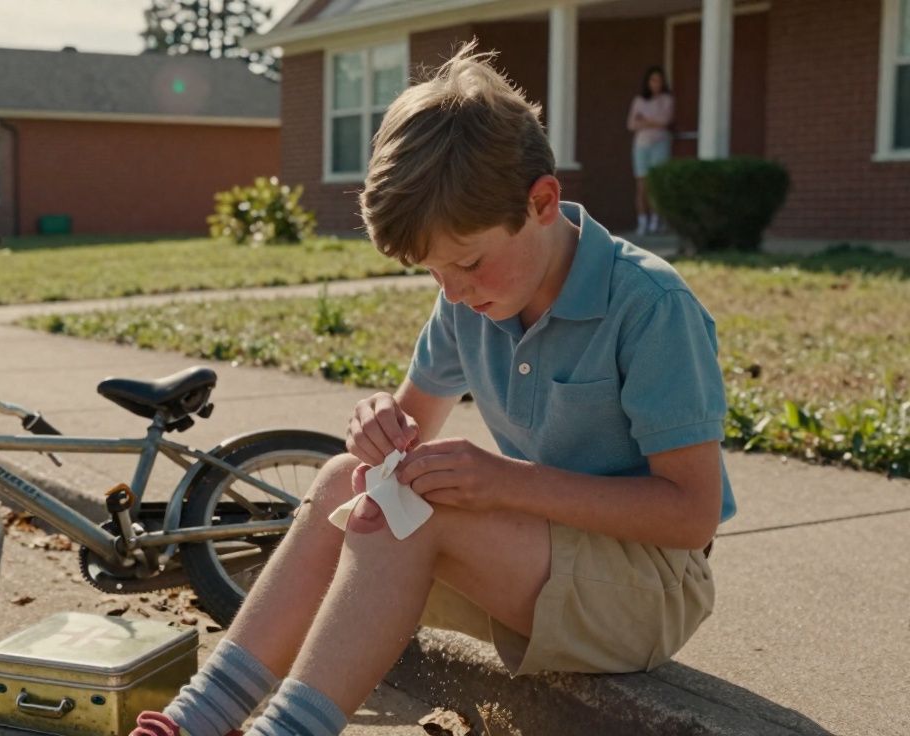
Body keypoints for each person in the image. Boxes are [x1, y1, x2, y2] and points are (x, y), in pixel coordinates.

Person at [131, 41, 734, 736]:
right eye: (432, 272)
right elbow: (401, 440)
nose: (452, 291)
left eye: (468, 262)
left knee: (422, 512)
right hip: (541, 560)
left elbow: (692, 516)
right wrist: (377, 427)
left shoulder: (649, 304)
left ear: (542, 202)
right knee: (344, 478)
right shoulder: (471, 298)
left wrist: (503, 481)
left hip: (649, 591)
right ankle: (202, 716)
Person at [627, 66, 675, 235]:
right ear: (648, 82)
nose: (656, 84)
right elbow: (632, 124)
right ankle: (642, 222)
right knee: (642, 185)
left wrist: (645, 120)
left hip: (660, 145)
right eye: (653, 80)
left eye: (659, 81)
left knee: (656, 183)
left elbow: (665, 121)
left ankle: (656, 221)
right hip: (641, 146)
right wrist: (653, 121)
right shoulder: (639, 101)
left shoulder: (666, 100)